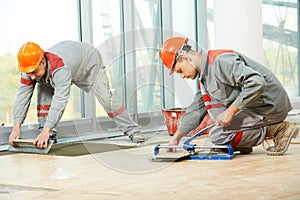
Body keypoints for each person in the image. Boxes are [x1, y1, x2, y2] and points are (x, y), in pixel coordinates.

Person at [159, 37, 299, 156]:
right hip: (257, 108)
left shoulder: (220, 61)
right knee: (218, 131)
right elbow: (196, 110)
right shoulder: (205, 78)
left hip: (270, 107)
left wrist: (230, 111)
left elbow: (256, 82)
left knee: (218, 136)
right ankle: (242, 144)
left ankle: (279, 129)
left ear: (186, 58)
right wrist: (176, 139)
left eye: (179, 71)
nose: (183, 76)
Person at [9, 41, 145, 149]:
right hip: (70, 63)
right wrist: (16, 128)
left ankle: (133, 130)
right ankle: (49, 135)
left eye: (34, 72)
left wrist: (45, 129)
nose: (32, 77)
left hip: (89, 63)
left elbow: (60, 101)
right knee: (43, 90)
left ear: (42, 62)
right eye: (29, 73)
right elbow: (22, 97)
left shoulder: (60, 67)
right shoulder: (29, 68)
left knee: (106, 97)